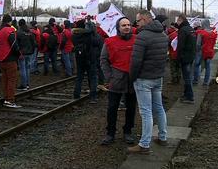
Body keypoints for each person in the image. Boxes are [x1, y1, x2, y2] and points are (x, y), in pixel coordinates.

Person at [128, 10, 168, 154]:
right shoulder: (163, 35)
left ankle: (144, 144)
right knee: (159, 108)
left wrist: (131, 78)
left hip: (144, 79)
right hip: (158, 77)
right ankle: (163, 137)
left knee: (146, 112)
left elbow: (135, 61)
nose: (136, 24)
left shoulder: (142, 36)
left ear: (144, 20)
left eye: (138, 21)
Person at [100, 17, 137, 145]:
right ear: (118, 28)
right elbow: (104, 60)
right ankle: (110, 133)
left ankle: (128, 131)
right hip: (116, 79)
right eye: (123, 25)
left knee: (131, 108)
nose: (127, 27)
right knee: (112, 108)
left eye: (128, 24)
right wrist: (109, 77)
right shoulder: (109, 41)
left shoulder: (137, 40)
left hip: (132, 80)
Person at [0, 14, 21, 108]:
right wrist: (19, 54)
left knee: (4, 79)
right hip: (10, 58)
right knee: (12, 80)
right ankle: (10, 100)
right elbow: (14, 45)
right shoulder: (10, 30)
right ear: (9, 21)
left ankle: (6, 98)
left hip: (1, 59)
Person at [72, 18, 99, 103]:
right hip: (90, 58)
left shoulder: (74, 35)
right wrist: (93, 31)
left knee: (79, 76)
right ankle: (93, 97)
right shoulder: (89, 35)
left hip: (79, 58)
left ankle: (76, 95)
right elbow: (96, 43)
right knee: (93, 77)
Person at [176, 14, 196, 104]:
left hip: (185, 57)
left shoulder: (182, 30)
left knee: (187, 77)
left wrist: (178, 58)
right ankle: (186, 93)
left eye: (178, 21)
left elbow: (180, 45)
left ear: (181, 20)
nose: (177, 22)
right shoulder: (191, 29)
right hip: (191, 56)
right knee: (188, 76)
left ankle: (190, 96)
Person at [17, 19, 36, 91]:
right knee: (27, 68)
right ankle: (27, 84)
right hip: (29, 53)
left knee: (22, 69)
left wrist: (18, 52)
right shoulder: (30, 32)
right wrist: (32, 51)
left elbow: (17, 44)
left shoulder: (19, 33)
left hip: (22, 53)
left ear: (19, 24)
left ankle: (24, 85)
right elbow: (34, 43)